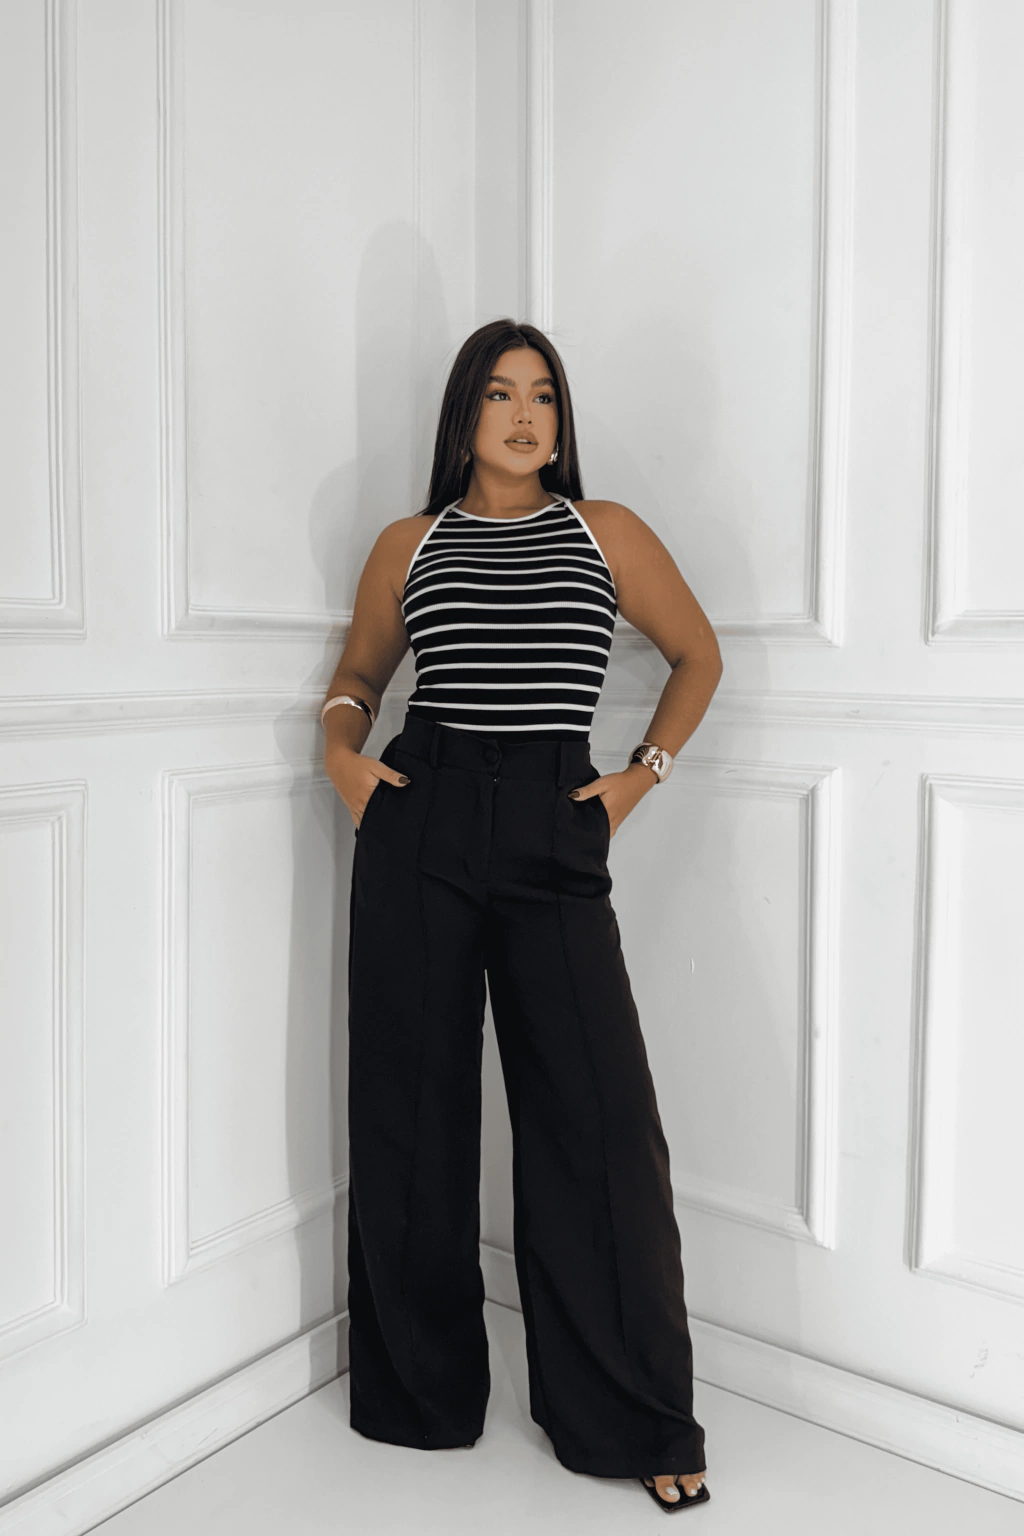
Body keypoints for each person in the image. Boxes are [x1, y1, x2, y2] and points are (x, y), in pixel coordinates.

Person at [322, 318, 722, 1512]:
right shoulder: (410, 544)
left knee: (599, 1122)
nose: (524, 413)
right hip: (422, 814)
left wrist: (639, 776)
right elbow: (360, 678)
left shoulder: (606, 532)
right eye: (499, 393)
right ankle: (417, 1397)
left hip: (555, 820)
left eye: (542, 393)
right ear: (464, 415)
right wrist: (338, 754)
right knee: (411, 1108)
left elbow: (698, 656)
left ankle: (633, 1415)